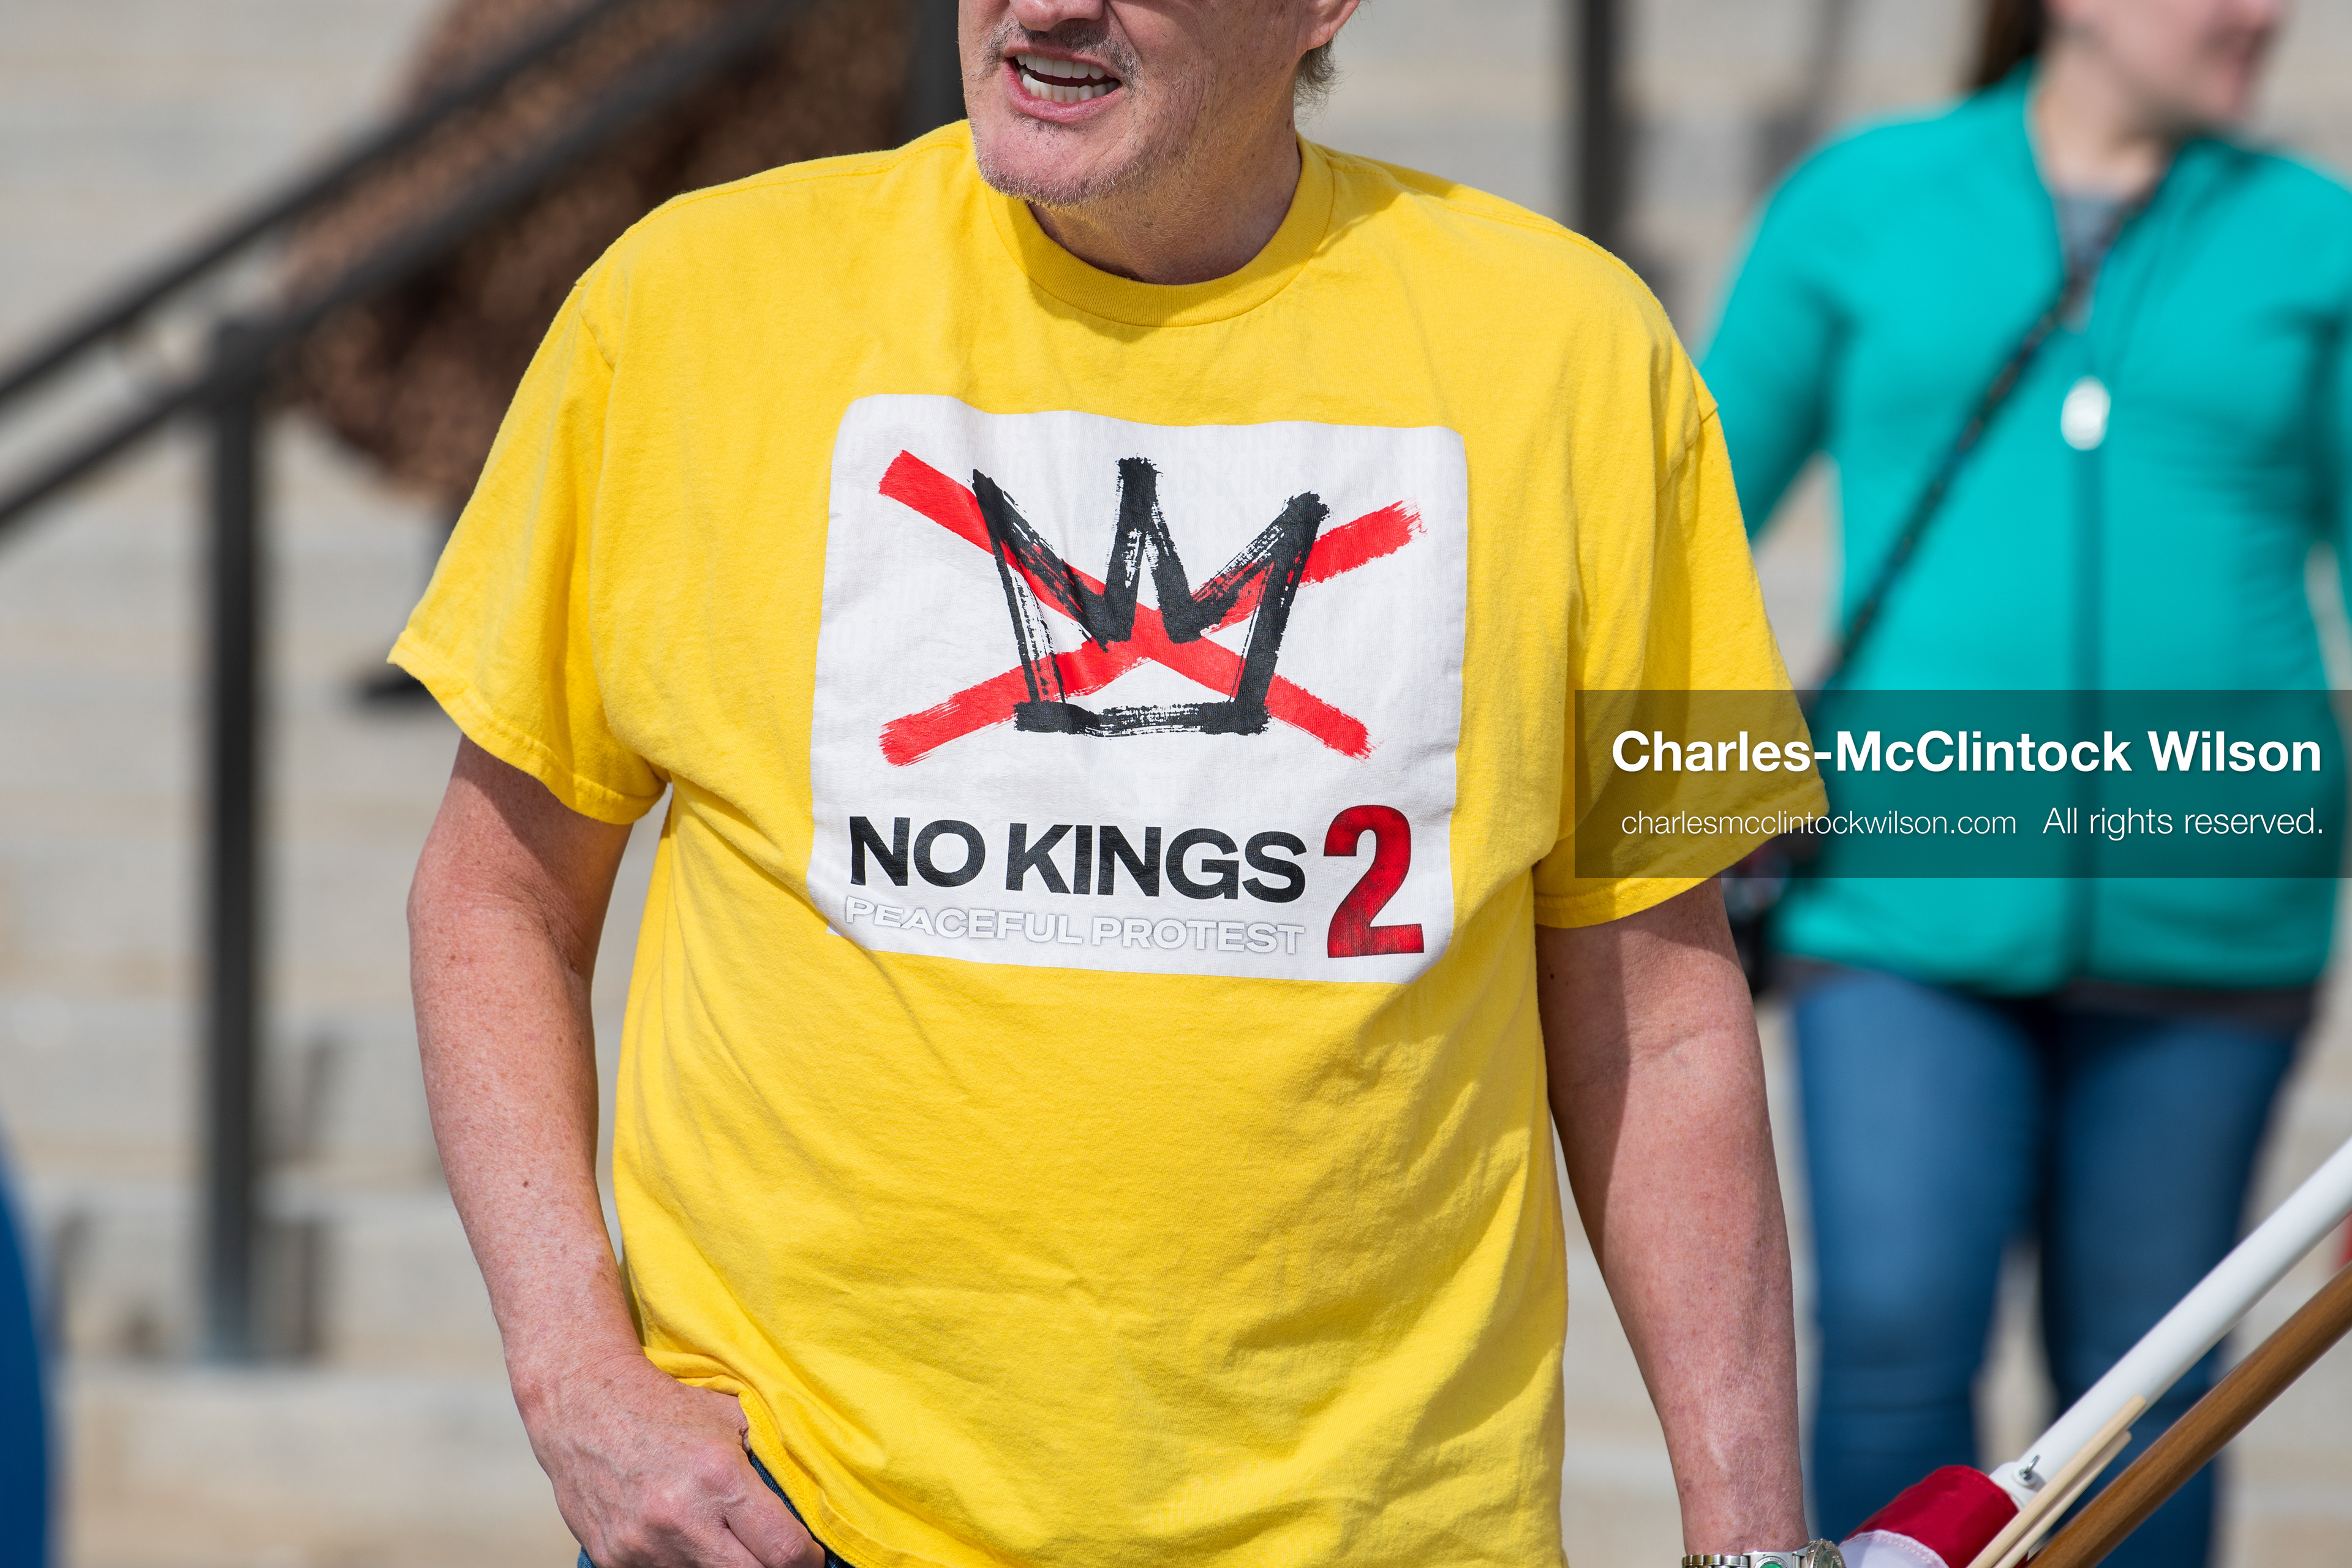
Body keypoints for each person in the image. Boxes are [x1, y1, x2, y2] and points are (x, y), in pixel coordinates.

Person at [399, 1, 1828, 1565]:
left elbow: (1661, 1017)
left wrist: (1754, 1539)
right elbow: (494, 890)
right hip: (800, 1519)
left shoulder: (1575, 351)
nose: (1051, 2)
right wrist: (574, 1373)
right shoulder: (693, 302)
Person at [1701, 0, 2345, 1562]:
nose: (2261, 14)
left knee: (2153, 1384)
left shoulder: (2316, 240)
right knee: (1894, 1331)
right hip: (1899, 901)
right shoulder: (1864, 203)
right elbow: (1680, 527)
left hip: (2221, 913)